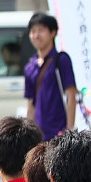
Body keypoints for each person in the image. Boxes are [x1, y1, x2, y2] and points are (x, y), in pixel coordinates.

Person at [24, 12, 76, 140]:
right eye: (33, 31)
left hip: (59, 132)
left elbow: (71, 96)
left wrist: (69, 130)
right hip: (38, 135)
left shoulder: (61, 60)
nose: (36, 35)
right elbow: (31, 103)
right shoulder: (30, 66)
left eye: (41, 30)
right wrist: (28, 133)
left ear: (53, 33)